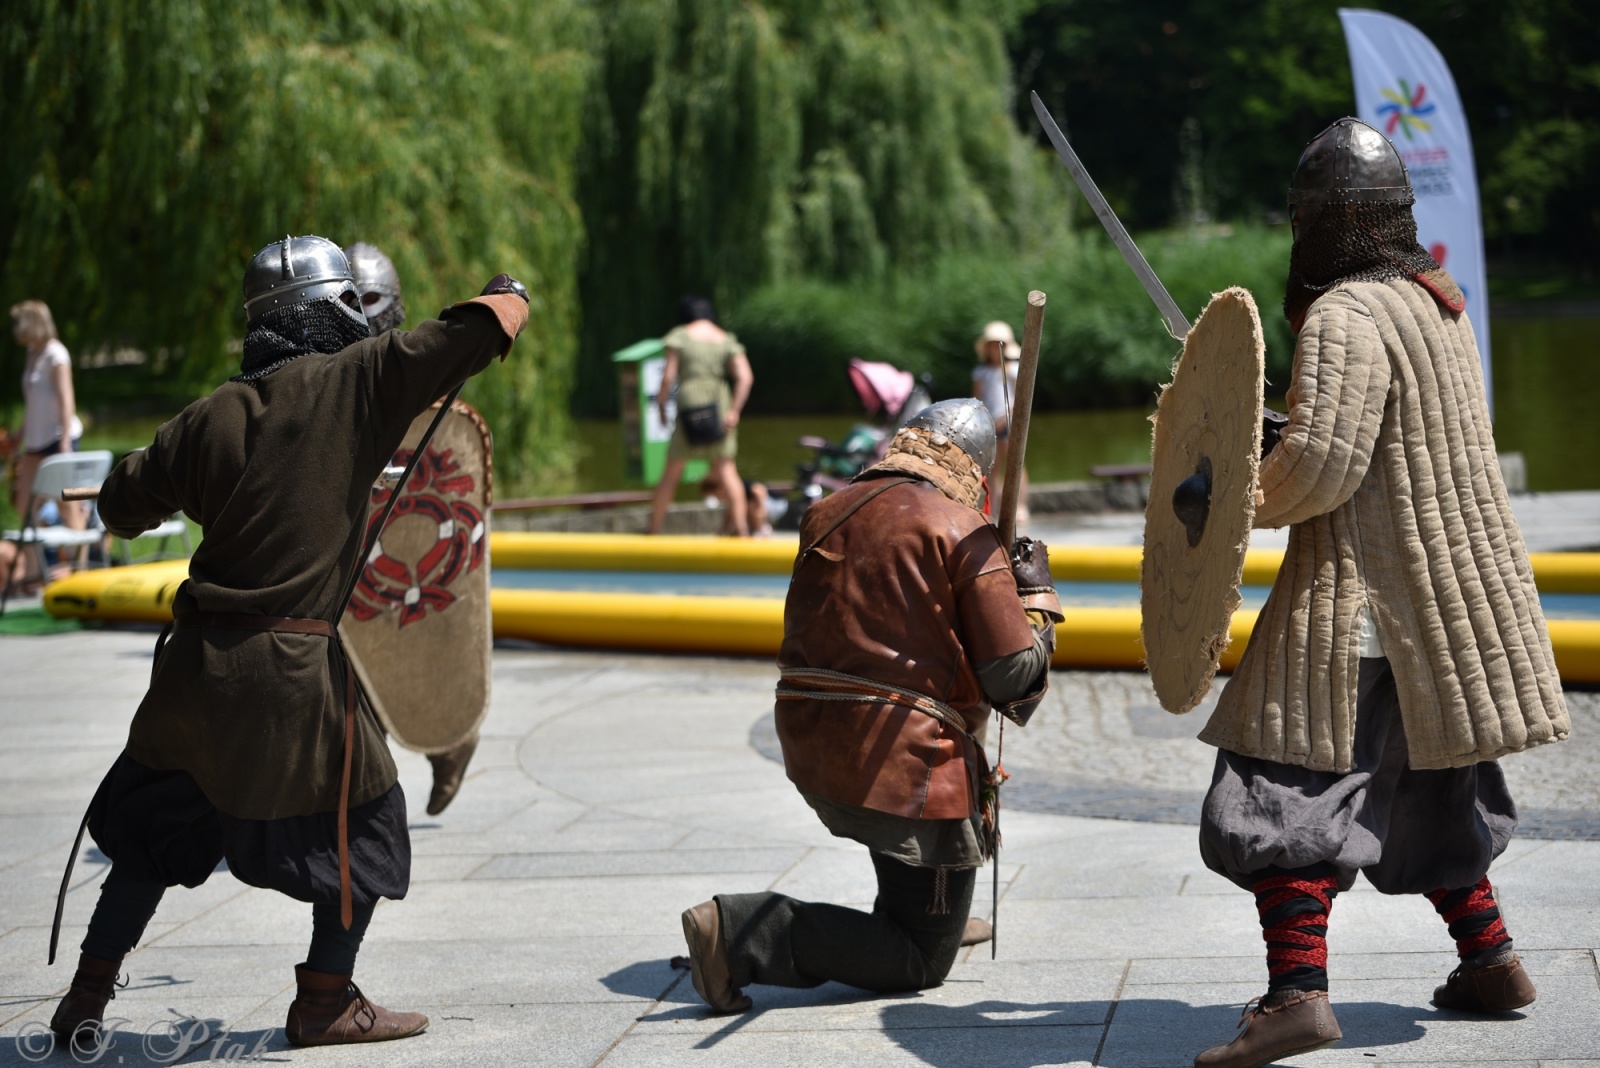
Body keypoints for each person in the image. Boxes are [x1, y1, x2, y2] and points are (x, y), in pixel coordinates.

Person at [47, 235, 529, 1051]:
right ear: (333, 313)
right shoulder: (359, 381)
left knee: (151, 836)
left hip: (192, 681)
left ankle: (85, 997)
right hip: (288, 679)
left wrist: (155, 467)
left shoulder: (208, 416)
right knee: (369, 819)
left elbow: (121, 506)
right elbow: (478, 332)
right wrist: (505, 291)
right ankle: (324, 1002)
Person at [1191, 119, 1569, 1068]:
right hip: (1446, 600)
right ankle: (1490, 961)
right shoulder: (1441, 303)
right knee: (1437, 779)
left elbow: (1321, 466)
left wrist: (1230, 487)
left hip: (1358, 599)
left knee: (1281, 781)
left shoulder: (1344, 315)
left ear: (1321, 223)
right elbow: (1393, 440)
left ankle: (1296, 998)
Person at [678, 398, 1061, 1013]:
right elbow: (1012, 677)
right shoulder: (962, 530)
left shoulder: (827, 510)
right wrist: (1036, 597)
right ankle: (739, 931)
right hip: (907, 759)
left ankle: (932, 909)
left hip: (819, 736)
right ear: (975, 471)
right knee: (919, 961)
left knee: (918, 874)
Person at [343, 241, 483, 816]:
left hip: (407, 545)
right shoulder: (327, 378)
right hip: (347, 552)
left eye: (369, 298)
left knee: (409, 648)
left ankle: (448, 740)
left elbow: (450, 455)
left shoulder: (421, 374)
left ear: (393, 304)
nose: (361, 312)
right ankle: (359, 791)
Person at [647, 295, 753, 537]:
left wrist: (661, 406)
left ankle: (653, 529)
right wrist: (734, 411)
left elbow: (668, 376)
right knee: (727, 468)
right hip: (719, 402)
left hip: (690, 404)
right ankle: (742, 530)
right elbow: (745, 377)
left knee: (672, 470)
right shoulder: (726, 339)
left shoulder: (680, 336)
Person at [8, 300, 87, 582]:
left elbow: (67, 400)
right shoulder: (33, 353)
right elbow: (33, 402)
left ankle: (80, 567)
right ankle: (31, 569)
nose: (15, 329)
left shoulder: (56, 354)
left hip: (57, 439)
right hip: (35, 441)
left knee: (68, 505)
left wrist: (65, 442)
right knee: (24, 503)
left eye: (20, 322)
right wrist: (19, 433)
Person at [971, 320, 1028, 522]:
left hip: (1009, 422)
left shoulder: (1012, 369)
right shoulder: (981, 372)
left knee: (1016, 464)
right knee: (991, 468)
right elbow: (977, 399)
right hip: (989, 423)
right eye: (991, 344)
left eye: (998, 344)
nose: (995, 349)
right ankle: (992, 506)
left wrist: (1007, 417)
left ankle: (1020, 506)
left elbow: (1020, 398)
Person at [700, 474, 774, 537]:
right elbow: (730, 513)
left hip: (757, 495)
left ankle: (762, 529)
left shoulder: (732, 491)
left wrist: (760, 505)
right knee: (744, 514)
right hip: (753, 496)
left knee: (755, 512)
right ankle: (759, 529)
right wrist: (723, 529)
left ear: (719, 490)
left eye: (715, 496)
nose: (717, 499)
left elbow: (758, 490)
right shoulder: (731, 493)